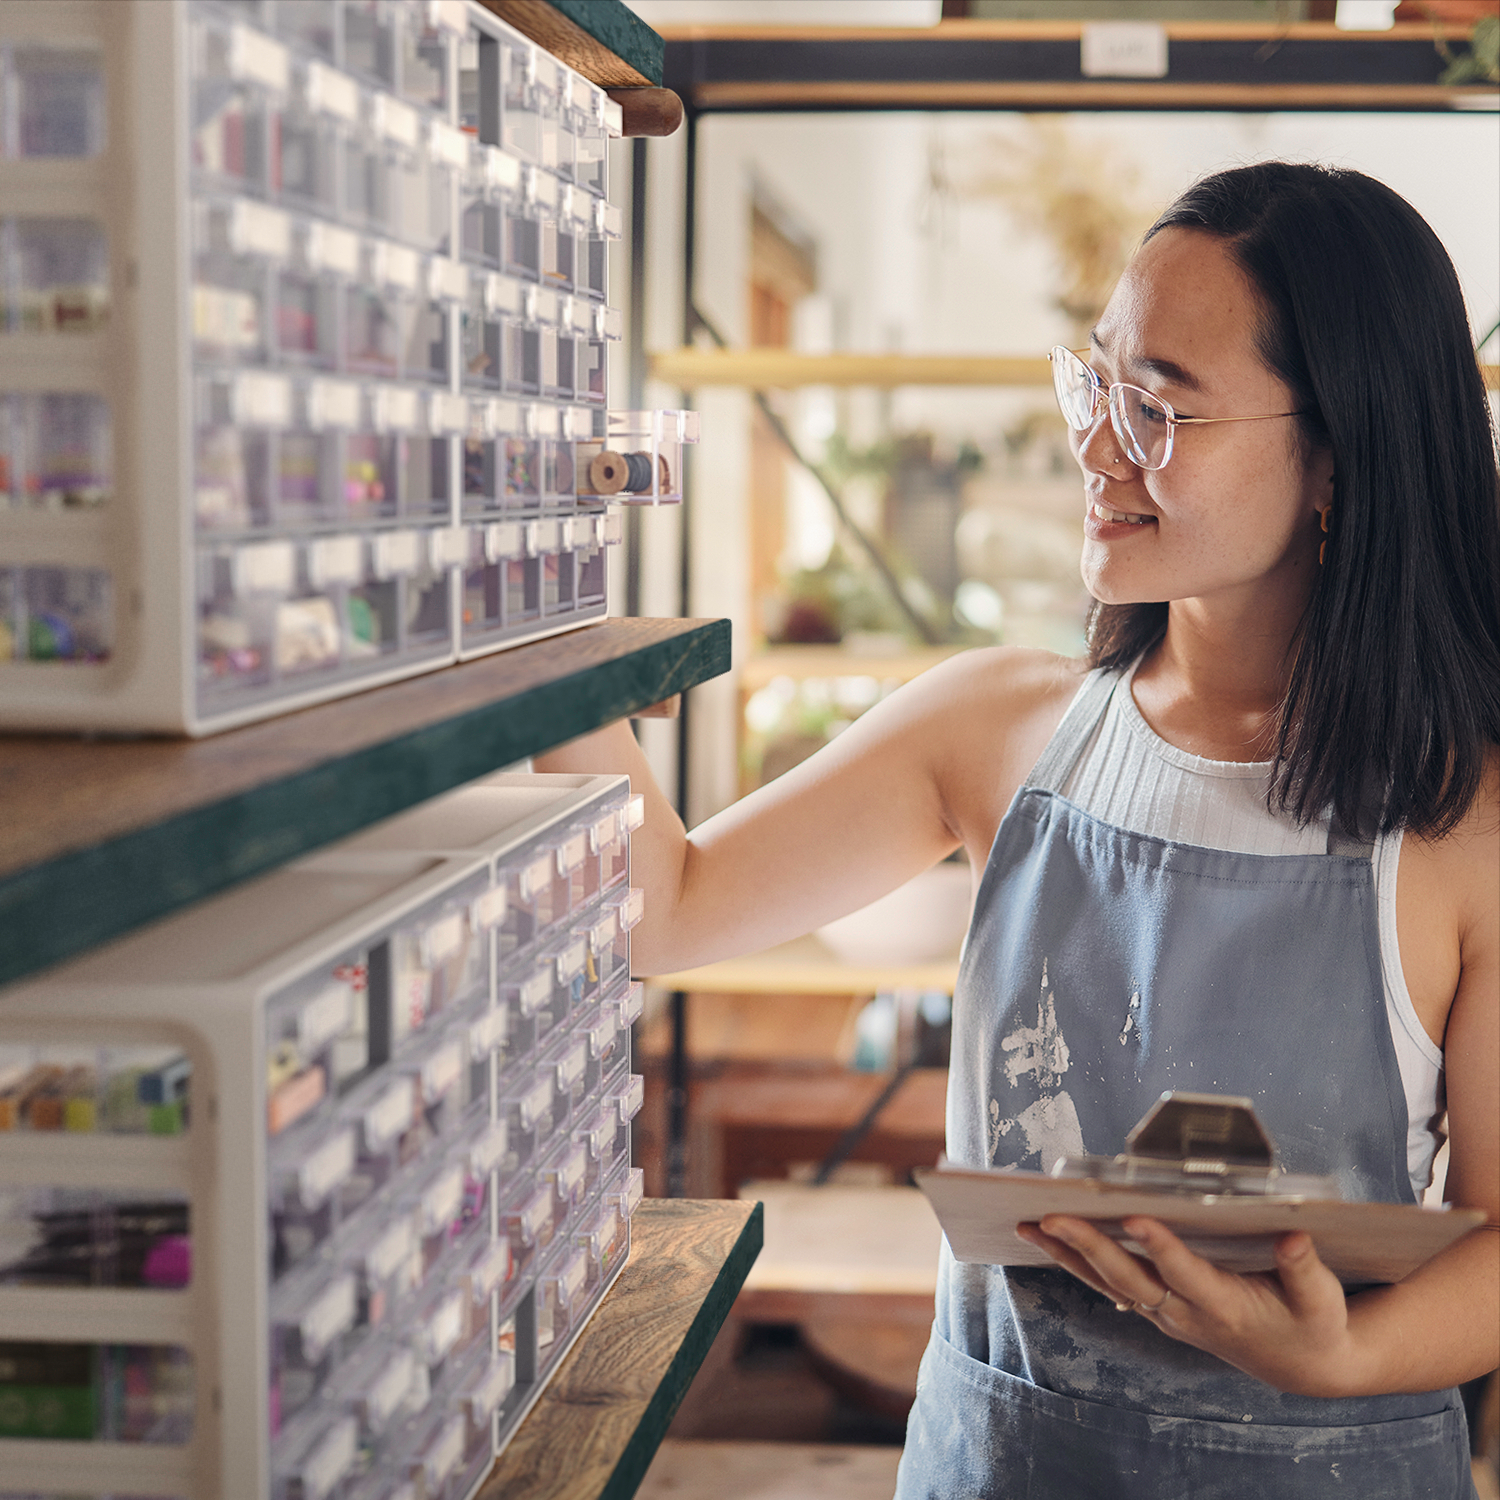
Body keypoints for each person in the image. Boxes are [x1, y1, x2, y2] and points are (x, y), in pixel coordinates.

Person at [537, 162, 1499, 1498]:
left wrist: (1343, 1354)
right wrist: (536, 587)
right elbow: (666, 907)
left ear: (1337, 457)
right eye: (1095, 384)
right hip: (1005, 1462)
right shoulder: (993, 728)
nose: (1099, 449)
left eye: (1158, 407)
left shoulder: (1464, 823)